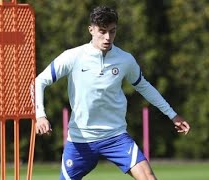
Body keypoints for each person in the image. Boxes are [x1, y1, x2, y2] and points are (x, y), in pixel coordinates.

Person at [34, 5, 190, 180]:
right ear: (91, 30)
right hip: (81, 139)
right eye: (102, 31)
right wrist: (40, 116)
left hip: (115, 137)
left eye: (112, 31)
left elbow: (145, 87)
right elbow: (39, 81)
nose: (108, 37)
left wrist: (172, 115)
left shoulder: (125, 60)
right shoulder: (73, 57)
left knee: (148, 178)